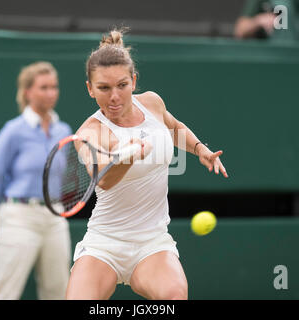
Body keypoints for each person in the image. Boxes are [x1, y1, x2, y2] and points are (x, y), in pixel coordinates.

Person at [65, 29, 228, 300]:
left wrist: (200, 148)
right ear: (90, 88)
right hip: (104, 243)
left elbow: (174, 127)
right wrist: (126, 157)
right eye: (104, 88)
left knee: (174, 297)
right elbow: (102, 177)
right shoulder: (90, 132)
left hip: (152, 243)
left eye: (122, 85)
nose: (114, 96)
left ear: (134, 80)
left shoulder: (152, 103)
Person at [0, 61, 72, 300]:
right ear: (27, 92)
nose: (50, 92)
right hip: (18, 217)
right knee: (5, 292)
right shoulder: (12, 131)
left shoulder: (63, 131)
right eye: (43, 87)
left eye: (54, 87)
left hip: (55, 218)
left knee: (60, 292)